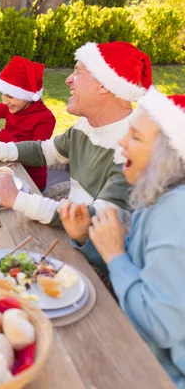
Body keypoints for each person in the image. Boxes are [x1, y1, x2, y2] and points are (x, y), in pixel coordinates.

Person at [59, 88, 185, 388]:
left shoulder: (175, 211)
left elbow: (161, 326)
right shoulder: (152, 194)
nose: (121, 141)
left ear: (169, 157)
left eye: (136, 137)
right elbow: (137, 265)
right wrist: (88, 240)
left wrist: (115, 255)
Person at [0, 42, 152, 226]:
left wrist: (17, 199)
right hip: (68, 229)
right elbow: (43, 150)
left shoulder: (133, 148)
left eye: (77, 72)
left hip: (87, 252)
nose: (68, 79)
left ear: (103, 85)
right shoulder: (85, 125)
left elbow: (97, 221)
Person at [0, 56, 55, 190]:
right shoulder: (13, 106)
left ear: (27, 96)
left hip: (29, 179)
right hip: (6, 165)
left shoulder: (45, 119)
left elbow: (35, 158)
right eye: (4, 94)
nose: (4, 101)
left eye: (10, 96)